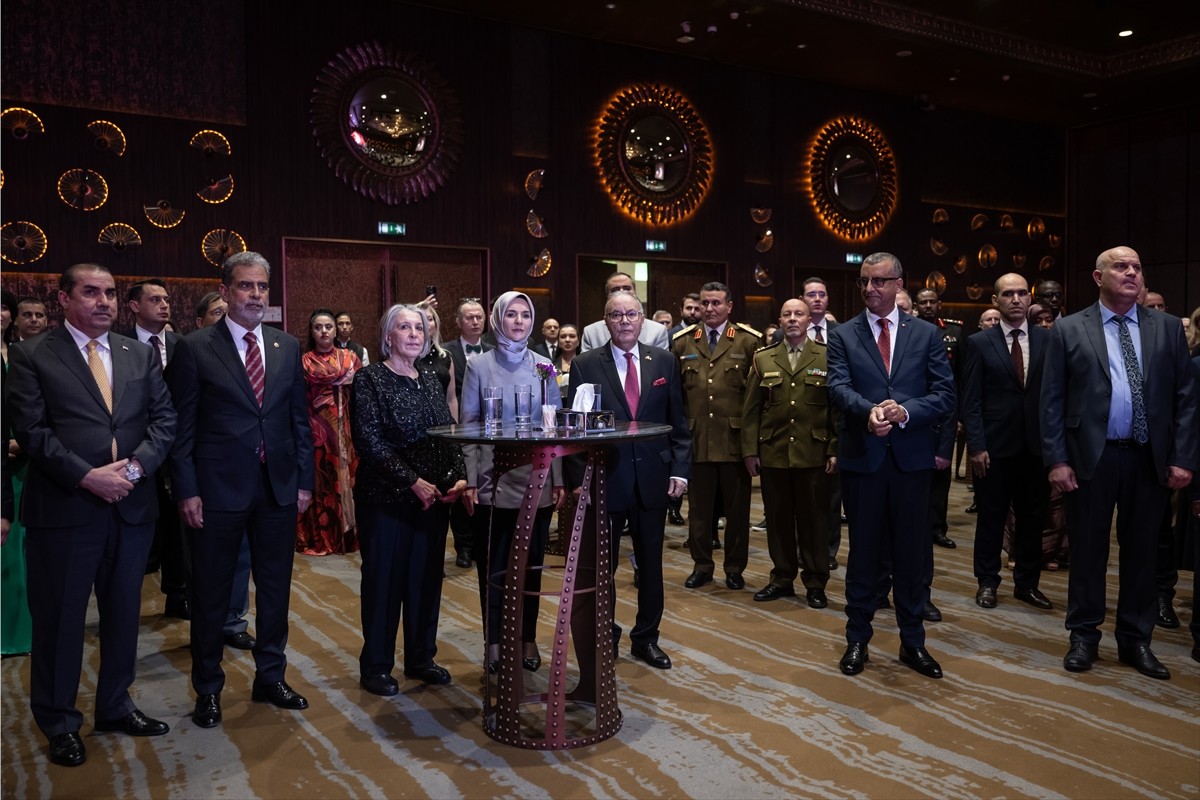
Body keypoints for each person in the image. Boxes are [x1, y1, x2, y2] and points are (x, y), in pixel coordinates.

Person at [7, 263, 177, 767]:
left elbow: (164, 420)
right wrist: (88, 476)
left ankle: (116, 705)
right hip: (65, 509)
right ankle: (59, 720)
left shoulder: (138, 353)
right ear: (63, 299)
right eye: (90, 292)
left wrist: (138, 470)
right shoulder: (32, 354)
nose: (103, 301)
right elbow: (33, 432)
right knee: (61, 621)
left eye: (109, 293)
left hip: (131, 507)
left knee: (125, 614)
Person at [168, 251, 315, 728]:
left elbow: (299, 422)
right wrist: (186, 489)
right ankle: (207, 688)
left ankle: (270, 677)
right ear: (227, 291)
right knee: (211, 594)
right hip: (216, 492)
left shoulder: (286, 346)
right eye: (246, 286)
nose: (255, 295)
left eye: (262, 287)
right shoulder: (194, 347)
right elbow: (180, 428)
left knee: (275, 591)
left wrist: (304, 483)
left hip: (277, 490)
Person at [1041, 245, 1197, 679]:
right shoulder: (1069, 329)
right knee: (1088, 551)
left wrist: (1183, 457)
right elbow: (1051, 401)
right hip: (1092, 457)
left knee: (1143, 553)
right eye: (1120, 267)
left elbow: (1186, 400)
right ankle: (1084, 636)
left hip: (1149, 458)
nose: (1131, 273)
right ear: (1098, 277)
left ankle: (1135, 640)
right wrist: (1057, 458)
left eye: (1137, 267)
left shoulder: (1166, 328)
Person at [827, 252, 956, 680]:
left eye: (879, 282)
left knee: (911, 556)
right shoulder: (843, 334)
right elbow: (838, 388)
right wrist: (870, 413)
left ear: (899, 283)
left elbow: (943, 394)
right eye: (864, 282)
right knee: (863, 553)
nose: (869, 290)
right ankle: (857, 639)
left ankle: (912, 642)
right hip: (864, 459)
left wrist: (904, 412)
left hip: (911, 461)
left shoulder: (926, 335)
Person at [567, 290, 690, 668]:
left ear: (642, 320)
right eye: (616, 315)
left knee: (651, 566)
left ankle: (646, 639)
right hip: (606, 480)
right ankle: (607, 636)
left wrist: (680, 471)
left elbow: (679, 424)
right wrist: (577, 481)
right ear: (605, 321)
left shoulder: (664, 361)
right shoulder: (586, 364)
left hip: (654, 479)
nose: (624, 321)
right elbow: (574, 428)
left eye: (631, 314)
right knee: (603, 568)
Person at [350, 304, 467, 695]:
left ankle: (421, 658)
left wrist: (458, 476)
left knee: (424, 581)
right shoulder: (370, 379)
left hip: (431, 500)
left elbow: (444, 433)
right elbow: (369, 442)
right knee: (385, 584)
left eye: (419, 327)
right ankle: (377, 667)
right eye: (405, 327)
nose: (415, 334)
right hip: (385, 499)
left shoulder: (431, 379)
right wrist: (412, 480)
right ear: (388, 336)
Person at [461, 292, 565, 672]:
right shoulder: (479, 365)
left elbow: (553, 425)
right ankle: (494, 641)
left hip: (536, 477)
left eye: (525, 315)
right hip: (493, 478)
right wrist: (471, 479)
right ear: (498, 319)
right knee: (495, 566)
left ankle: (526, 639)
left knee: (532, 566)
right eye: (511, 315)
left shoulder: (544, 366)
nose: (519, 322)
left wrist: (556, 476)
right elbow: (470, 426)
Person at [961, 274, 1053, 612]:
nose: (1015, 299)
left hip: (1036, 447)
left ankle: (1027, 584)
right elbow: (970, 400)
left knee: (1032, 519)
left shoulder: (1046, 340)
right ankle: (987, 581)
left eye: (1020, 293)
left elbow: (1053, 396)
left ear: (1029, 299)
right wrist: (977, 445)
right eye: (1007, 294)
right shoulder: (979, 342)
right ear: (996, 301)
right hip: (994, 449)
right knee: (991, 518)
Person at [742, 298, 837, 607]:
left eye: (799, 314)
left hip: (814, 452)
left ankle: (815, 582)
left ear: (810, 319)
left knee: (814, 521)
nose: (793, 319)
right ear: (780, 321)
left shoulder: (827, 357)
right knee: (779, 519)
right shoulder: (763, 358)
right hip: (774, 451)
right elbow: (751, 411)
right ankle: (782, 578)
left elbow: (837, 410)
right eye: (787, 314)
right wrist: (749, 451)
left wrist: (835, 448)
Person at [672, 281, 760, 591]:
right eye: (705, 303)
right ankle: (702, 565)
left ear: (729, 306)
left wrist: (753, 446)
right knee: (698, 511)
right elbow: (676, 398)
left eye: (716, 303)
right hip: (697, 440)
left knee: (737, 512)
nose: (709, 309)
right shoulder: (683, 342)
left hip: (735, 442)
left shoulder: (749, 342)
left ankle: (735, 567)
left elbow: (755, 400)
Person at [192, 291, 255, 650]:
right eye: (217, 312)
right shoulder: (196, 350)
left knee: (242, 558)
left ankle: (233, 620)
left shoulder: (262, 350)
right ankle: (207, 624)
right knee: (209, 565)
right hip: (211, 478)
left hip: (253, 475)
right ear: (202, 322)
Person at [125, 279, 188, 619]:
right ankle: (124, 604)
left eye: (166, 299)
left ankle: (177, 595)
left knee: (178, 530)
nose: (164, 305)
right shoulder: (118, 345)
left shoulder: (183, 345)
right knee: (137, 530)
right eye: (155, 299)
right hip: (134, 451)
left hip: (177, 448)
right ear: (135, 306)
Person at [297, 308, 361, 556]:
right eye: (318, 327)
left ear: (336, 330)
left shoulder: (350, 358)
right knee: (321, 480)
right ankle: (322, 537)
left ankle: (347, 535)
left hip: (345, 429)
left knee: (347, 479)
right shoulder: (304, 361)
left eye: (328, 326)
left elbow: (358, 394)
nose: (323, 331)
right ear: (311, 332)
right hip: (317, 431)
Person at [443, 298, 491, 568]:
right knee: (462, 486)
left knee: (482, 485)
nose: (475, 321)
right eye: (469, 317)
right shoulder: (446, 352)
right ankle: (463, 546)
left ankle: (482, 541)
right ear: (458, 322)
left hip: (488, 430)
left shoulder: (494, 350)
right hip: (460, 427)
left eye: (479, 317)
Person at [913, 288, 962, 550]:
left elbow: (960, 378)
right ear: (916, 305)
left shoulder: (954, 333)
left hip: (945, 408)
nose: (929, 306)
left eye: (933, 302)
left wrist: (959, 415)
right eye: (923, 302)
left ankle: (937, 528)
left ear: (940, 304)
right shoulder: (911, 332)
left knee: (941, 473)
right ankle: (918, 526)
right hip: (918, 409)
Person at [1, 289, 33, 657]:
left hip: (25, 464)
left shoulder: (22, 354)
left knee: (23, 553)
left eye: (4, 306)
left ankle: (20, 633)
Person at [580, 272, 670, 351]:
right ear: (607, 295)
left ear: (635, 292)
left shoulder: (657, 331)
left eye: (627, 288)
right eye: (615, 290)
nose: (622, 292)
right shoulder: (591, 333)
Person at [554, 323, 580, 404]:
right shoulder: (551, 366)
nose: (567, 340)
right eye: (563, 336)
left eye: (572, 336)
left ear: (578, 341)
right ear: (558, 341)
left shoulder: (586, 365)